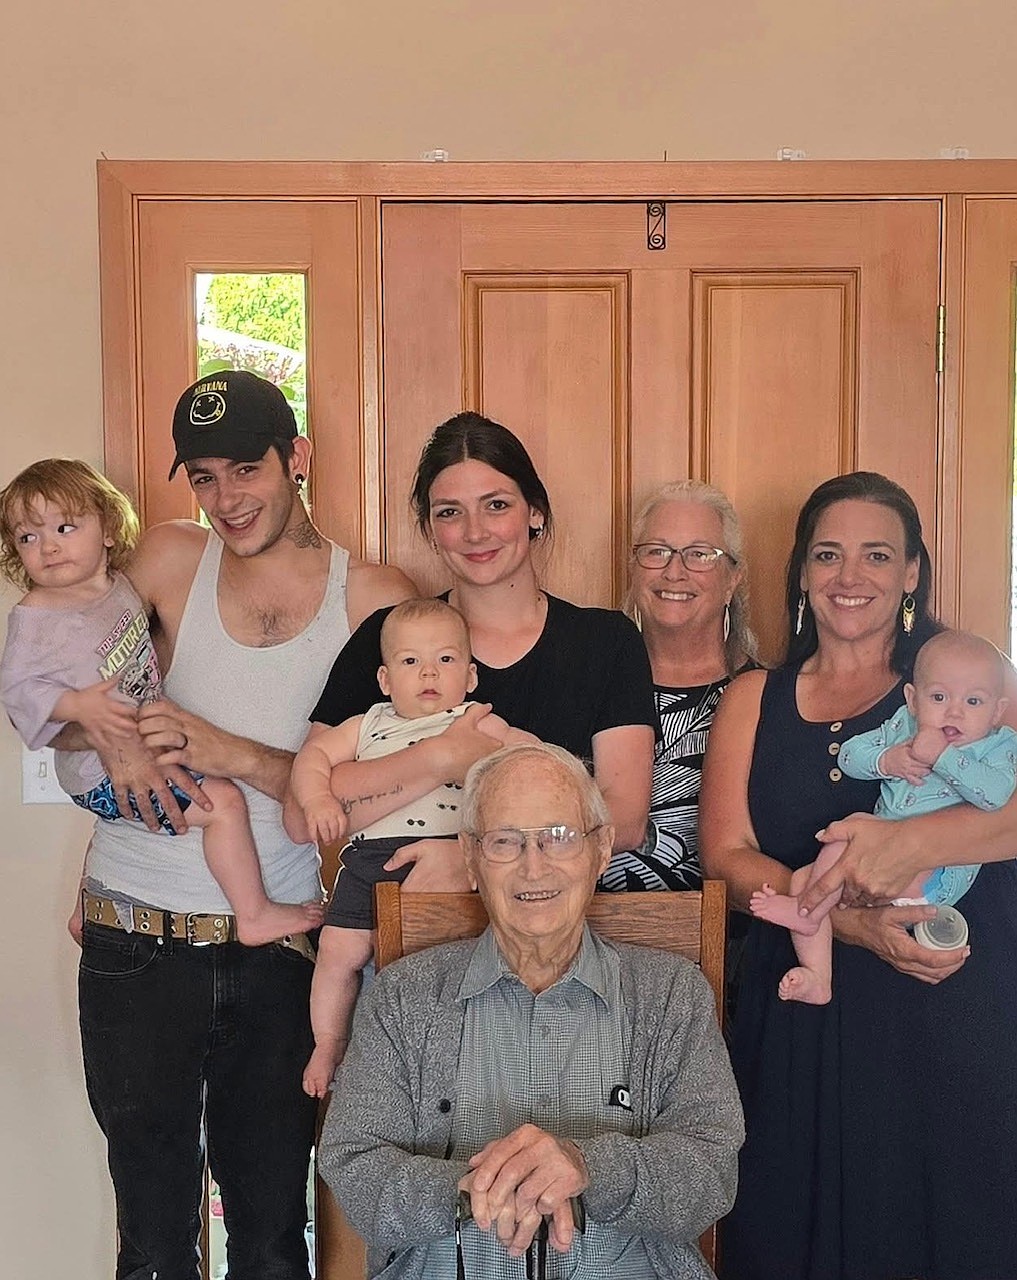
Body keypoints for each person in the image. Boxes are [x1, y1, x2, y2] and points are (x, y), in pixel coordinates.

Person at [60, 370, 414, 1280]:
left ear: (296, 458)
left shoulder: (371, 598)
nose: (226, 499)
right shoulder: (172, 560)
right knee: (151, 1238)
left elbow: (382, 792)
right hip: (134, 933)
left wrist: (234, 753)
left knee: (268, 1236)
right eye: (205, 476)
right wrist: (117, 754)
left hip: (279, 954)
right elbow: (69, 707)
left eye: (245, 470)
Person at [700, 471, 1017, 1280]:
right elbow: (727, 854)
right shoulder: (753, 695)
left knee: (945, 1222)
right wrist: (840, 917)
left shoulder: (967, 682)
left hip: (947, 1004)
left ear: (912, 571)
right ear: (802, 571)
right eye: (827, 555)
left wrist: (909, 847)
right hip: (808, 996)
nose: (850, 577)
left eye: (876, 556)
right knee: (790, 1230)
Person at [319, 741, 743, 1279]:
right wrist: (467, 1190)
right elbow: (352, 1160)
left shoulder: (671, 994)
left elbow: (711, 1168)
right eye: (505, 842)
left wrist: (590, 1169)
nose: (533, 867)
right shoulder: (404, 997)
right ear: (471, 857)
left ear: (602, 848)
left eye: (559, 838)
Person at [307, 411, 657, 889]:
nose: (475, 532)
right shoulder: (386, 637)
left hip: (559, 935)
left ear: (534, 512)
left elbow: (624, 819)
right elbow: (304, 808)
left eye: (496, 505)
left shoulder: (607, 642)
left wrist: (474, 858)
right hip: (411, 935)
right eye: (450, 512)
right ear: (430, 530)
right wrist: (438, 758)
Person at [0, 458, 324, 947]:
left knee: (147, 799)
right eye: (27, 538)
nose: (47, 546)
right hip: (98, 771)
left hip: (135, 753)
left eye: (65, 527)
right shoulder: (38, 615)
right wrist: (79, 710)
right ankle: (254, 914)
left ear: (107, 529)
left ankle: (81, 907)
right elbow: (18, 693)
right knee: (223, 803)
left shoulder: (119, 588)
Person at [288, 597, 532, 1097]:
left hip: (447, 857)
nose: (428, 673)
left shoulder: (477, 721)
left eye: (445, 660)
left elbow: (533, 762)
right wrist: (316, 801)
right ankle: (329, 1042)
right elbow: (313, 757)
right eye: (410, 662)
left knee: (434, 966)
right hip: (368, 859)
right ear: (384, 681)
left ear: (470, 677)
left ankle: (445, 1065)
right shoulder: (368, 723)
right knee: (338, 952)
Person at [750, 628, 1017, 1003]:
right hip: (873, 861)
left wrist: (942, 756)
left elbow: (996, 795)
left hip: (934, 875)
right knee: (804, 879)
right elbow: (848, 756)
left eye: (974, 701)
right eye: (938, 697)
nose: (954, 711)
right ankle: (817, 976)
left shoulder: (999, 745)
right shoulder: (904, 726)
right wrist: (887, 760)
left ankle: (809, 913)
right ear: (913, 699)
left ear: (997, 711)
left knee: (846, 846)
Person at [607, 479, 758, 893]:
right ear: (633, 569)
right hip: (588, 938)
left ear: (732, 579)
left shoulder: (766, 697)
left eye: (700, 555)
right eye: (656, 551)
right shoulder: (590, 682)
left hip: (729, 943)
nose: (675, 571)